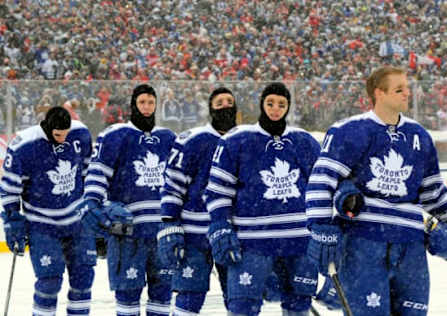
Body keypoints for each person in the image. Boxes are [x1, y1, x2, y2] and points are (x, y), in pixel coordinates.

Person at [305, 66, 447, 316]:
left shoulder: (418, 136)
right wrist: (320, 227)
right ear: (379, 93)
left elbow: (433, 190)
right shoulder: (349, 131)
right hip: (363, 243)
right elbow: (322, 179)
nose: (407, 93)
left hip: (410, 245)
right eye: (399, 89)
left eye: (407, 88)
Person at [203, 82, 321, 316]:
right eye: (270, 103)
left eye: (281, 104)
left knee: (299, 306)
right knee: (242, 307)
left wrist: (325, 227)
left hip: (298, 242)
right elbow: (218, 189)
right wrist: (220, 225)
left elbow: (322, 187)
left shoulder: (304, 141)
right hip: (251, 242)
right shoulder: (238, 140)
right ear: (261, 104)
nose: (275, 109)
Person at [80, 84, 176, 316]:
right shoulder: (115, 135)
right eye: (142, 102)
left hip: (161, 231)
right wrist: (92, 203)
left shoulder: (168, 138)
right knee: (127, 295)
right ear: (134, 104)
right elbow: (98, 173)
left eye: (151, 102)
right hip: (128, 230)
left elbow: (179, 180)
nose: (146, 107)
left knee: (163, 295)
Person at [0, 106, 95, 316]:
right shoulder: (24, 145)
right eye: (58, 135)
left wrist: (94, 206)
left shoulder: (80, 134)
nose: (63, 139)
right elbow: (9, 189)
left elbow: (89, 174)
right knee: (49, 281)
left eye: (66, 134)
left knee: (83, 279)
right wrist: (12, 219)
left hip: (77, 224)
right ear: (48, 128)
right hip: (42, 225)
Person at [157, 87, 237, 315]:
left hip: (233, 233)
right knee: (189, 297)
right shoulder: (193, 140)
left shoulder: (245, 139)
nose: (225, 106)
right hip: (194, 233)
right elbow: (173, 184)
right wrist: (169, 221)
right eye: (219, 102)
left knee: (240, 299)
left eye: (229, 101)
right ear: (211, 108)